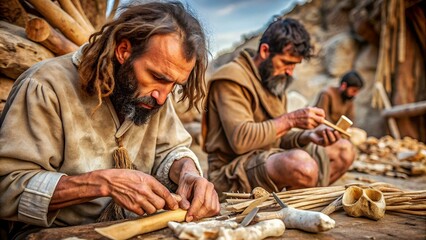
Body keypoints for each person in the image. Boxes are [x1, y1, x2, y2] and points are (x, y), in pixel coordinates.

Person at [0, 2, 219, 238]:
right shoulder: (45, 86)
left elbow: (171, 149)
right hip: (55, 233)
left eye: (174, 85)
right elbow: (7, 189)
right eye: (157, 76)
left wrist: (188, 173)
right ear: (123, 50)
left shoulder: (154, 97)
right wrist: (102, 183)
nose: (163, 97)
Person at [202, 18, 356, 199]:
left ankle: (297, 202)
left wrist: (307, 136)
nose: (290, 71)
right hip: (231, 169)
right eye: (286, 62)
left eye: (294, 65)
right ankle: (293, 200)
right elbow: (241, 140)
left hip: (267, 158)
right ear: (265, 51)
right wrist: (291, 120)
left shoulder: (273, 79)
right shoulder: (231, 78)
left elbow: (276, 138)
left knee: (344, 151)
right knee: (302, 165)